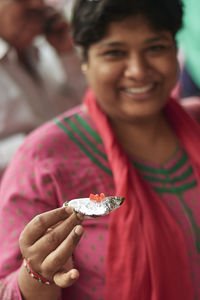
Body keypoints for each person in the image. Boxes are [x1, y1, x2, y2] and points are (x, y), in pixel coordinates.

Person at [0, 0, 200, 299]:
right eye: (114, 52)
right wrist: (39, 274)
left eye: (155, 47)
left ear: (175, 49)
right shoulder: (43, 160)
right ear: (83, 58)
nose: (138, 70)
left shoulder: (196, 122)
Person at [0, 0, 86, 178]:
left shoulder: (47, 52)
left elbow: (87, 111)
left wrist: (67, 52)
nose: (37, 5)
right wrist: (38, 145)